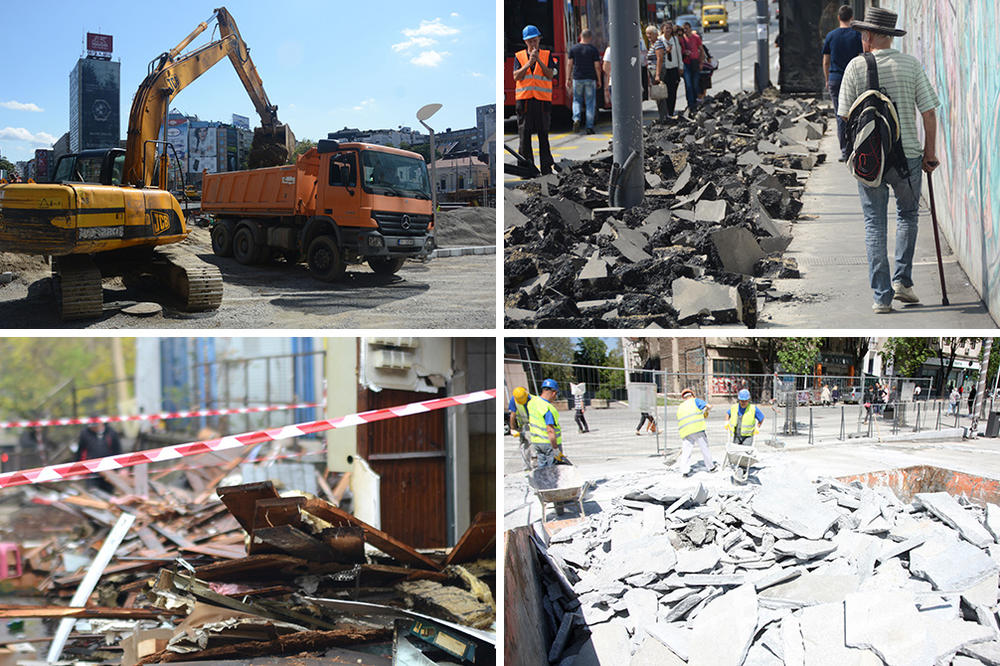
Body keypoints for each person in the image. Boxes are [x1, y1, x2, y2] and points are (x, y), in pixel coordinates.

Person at [837, 7, 940, 313]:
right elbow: (930, 113)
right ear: (890, 36)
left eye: (862, 35)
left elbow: (843, 117)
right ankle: (903, 283)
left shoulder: (856, 67)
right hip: (908, 155)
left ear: (868, 35)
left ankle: (882, 298)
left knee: (874, 224)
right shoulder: (911, 65)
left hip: (870, 160)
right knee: (908, 215)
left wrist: (851, 156)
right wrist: (930, 153)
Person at [513, 25, 556, 176]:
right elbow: (516, 76)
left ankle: (546, 168)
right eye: (530, 41)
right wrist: (529, 63)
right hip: (524, 101)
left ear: (539, 39)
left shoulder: (546, 55)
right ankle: (526, 170)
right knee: (524, 137)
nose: (533, 44)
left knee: (543, 135)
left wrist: (539, 61)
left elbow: (550, 74)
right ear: (525, 42)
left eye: (535, 40)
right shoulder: (519, 56)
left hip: (542, 101)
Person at [822, 5, 864, 162]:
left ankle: (845, 152)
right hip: (854, 79)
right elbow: (863, 56)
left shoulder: (831, 36)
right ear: (851, 18)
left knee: (841, 115)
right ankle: (857, 147)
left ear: (838, 18)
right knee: (857, 113)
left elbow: (826, 61)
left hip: (836, 79)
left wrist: (827, 79)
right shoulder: (857, 35)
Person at [567, 29, 602, 135]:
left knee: (577, 100)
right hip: (590, 79)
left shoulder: (574, 49)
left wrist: (568, 78)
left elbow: (569, 64)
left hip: (577, 78)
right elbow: (597, 66)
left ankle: (576, 118)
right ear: (590, 37)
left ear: (580, 36)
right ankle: (589, 127)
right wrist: (599, 79)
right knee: (590, 103)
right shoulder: (593, 50)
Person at [675, 387, 716, 477]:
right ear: (692, 395)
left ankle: (684, 471)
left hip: (685, 431)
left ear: (684, 397)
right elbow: (709, 406)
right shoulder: (695, 401)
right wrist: (706, 412)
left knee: (686, 452)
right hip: (697, 429)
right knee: (704, 448)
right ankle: (711, 467)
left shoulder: (680, 406)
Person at [526, 378, 566, 468]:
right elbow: (550, 430)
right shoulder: (547, 408)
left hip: (536, 442)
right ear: (554, 393)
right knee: (553, 470)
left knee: (542, 468)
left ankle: (540, 482)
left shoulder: (533, 402)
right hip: (549, 443)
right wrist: (555, 449)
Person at [76, 419, 123, 493]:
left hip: (109, 469)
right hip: (91, 470)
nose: (93, 428)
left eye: (95, 426)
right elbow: (80, 452)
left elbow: (117, 451)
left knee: (109, 492)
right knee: (93, 491)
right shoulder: (85, 433)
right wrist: (79, 467)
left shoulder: (111, 433)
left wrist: (119, 468)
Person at [679, 22, 704, 115]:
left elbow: (701, 50)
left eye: (686, 28)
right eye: (684, 29)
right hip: (686, 64)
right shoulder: (681, 39)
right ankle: (690, 104)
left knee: (695, 84)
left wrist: (701, 62)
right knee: (688, 85)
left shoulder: (696, 37)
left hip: (695, 63)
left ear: (690, 28)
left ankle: (696, 104)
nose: (685, 30)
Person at [660, 22, 683, 120]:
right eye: (666, 28)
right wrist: (666, 51)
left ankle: (671, 111)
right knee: (665, 92)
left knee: (673, 91)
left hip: (673, 68)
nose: (668, 30)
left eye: (670, 28)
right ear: (662, 29)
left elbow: (679, 53)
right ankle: (665, 113)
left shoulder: (674, 39)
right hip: (664, 69)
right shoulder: (660, 40)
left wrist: (680, 66)